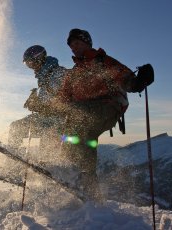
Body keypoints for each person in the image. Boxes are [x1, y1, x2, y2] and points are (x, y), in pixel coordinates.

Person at [55, 28, 137, 201]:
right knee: (72, 134)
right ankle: (82, 179)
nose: (73, 47)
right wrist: (44, 107)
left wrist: (136, 82)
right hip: (84, 110)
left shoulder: (102, 61)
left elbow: (123, 75)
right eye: (71, 45)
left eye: (77, 43)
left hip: (108, 106)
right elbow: (62, 98)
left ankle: (80, 174)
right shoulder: (74, 73)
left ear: (87, 42)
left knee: (81, 122)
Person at [8, 45, 66, 162]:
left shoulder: (59, 73)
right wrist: (34, 101)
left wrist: (38, 104)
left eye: (32, 64)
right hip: (46, 118)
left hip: (59, 120)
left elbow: (58, 100)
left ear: (39, 59)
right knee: (16, 127)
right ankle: (12, 161)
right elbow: (45, 101)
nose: (31, 68)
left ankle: (49, 166)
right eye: (28, 65)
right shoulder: (43, 78)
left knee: (48, 135)